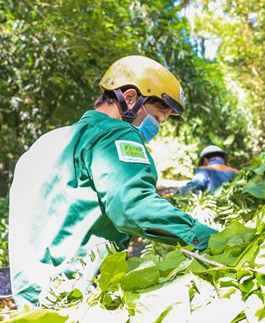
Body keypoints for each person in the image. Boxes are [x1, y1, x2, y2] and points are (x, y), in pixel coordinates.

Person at [8, 55, 217, 308]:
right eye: (156, 118)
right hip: (75, 299)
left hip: (31, 301)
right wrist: (206, 238)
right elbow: (133, 206)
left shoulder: (46, 143)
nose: (155, 128)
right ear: (130, 98)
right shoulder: (116, 134)